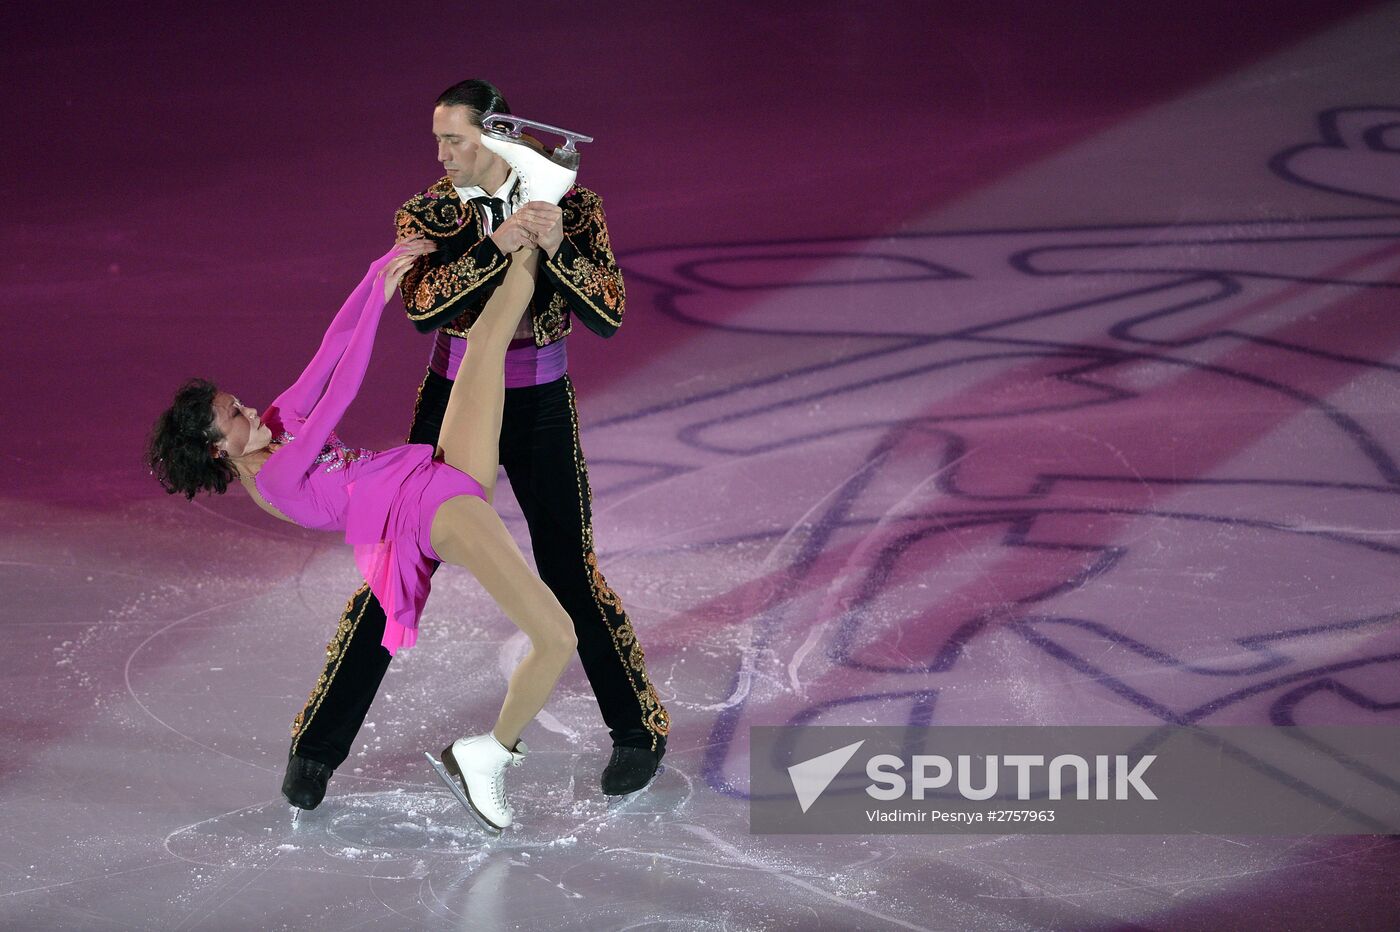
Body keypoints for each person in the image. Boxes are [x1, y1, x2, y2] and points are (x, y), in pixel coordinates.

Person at [278, 79, 670, 811]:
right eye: (439, 140)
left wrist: (558, 249)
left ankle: (638, 730)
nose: (441, 154)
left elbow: (610, 311)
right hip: (454, 405)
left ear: (493, 137)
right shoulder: (426, 210)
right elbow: (425, 307)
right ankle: (316, 748)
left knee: (567, 567)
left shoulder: (573, 203)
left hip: (543, 404)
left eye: (453, 139)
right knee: (396, 568)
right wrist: (498, 243)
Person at [148, 241, 572, 830]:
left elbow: (329, 350)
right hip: (424, 514)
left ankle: (536, 209)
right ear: (217, 450)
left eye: (237, 401)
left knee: (491, 332)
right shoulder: (274, 476)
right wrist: (379, 301)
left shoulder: (273, 424)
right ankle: (489, 755)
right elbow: (342, 389)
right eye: (235, 415)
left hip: (429, 474)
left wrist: (376, 273)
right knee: (556, 638)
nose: (249, 409)